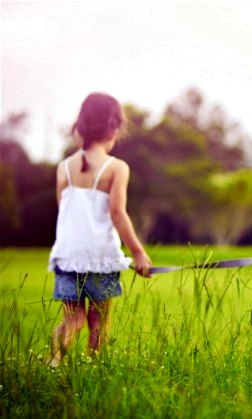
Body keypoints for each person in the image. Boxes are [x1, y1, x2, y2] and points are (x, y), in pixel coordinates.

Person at [48, 92, 152, 367]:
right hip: (101, 258)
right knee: (98, 322)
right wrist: (138, 253)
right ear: (114, 129)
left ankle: (53, 362)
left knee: (73, 319)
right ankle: (95, 370)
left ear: (80, 127)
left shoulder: (64, 168)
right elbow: (118, 213)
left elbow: (64, 210)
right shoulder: (116, 168)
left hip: (68, 256)